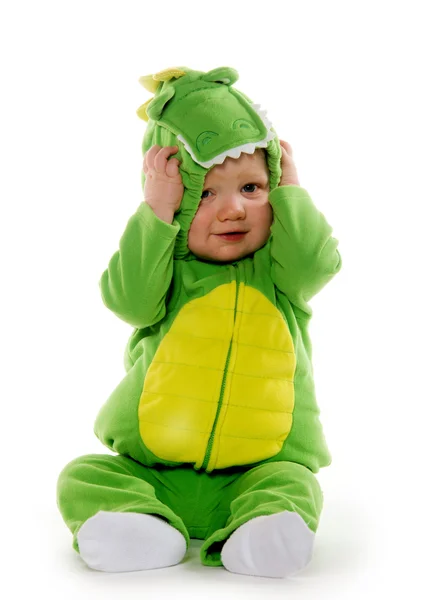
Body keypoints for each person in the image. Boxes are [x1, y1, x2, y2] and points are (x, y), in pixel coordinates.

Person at [56, 66, 342, 578]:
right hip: (154, 472)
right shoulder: (167, 270)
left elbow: (317, 262)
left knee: (295, 485)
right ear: (175, 200)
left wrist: (293, 193)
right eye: (205, 194)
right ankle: (135, 525)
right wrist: (155, 215)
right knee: (83, 475)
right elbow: (127, 300)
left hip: (256, 472)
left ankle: (264, 533)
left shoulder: (278, 274)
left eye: (253, 188)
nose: (233, 210)